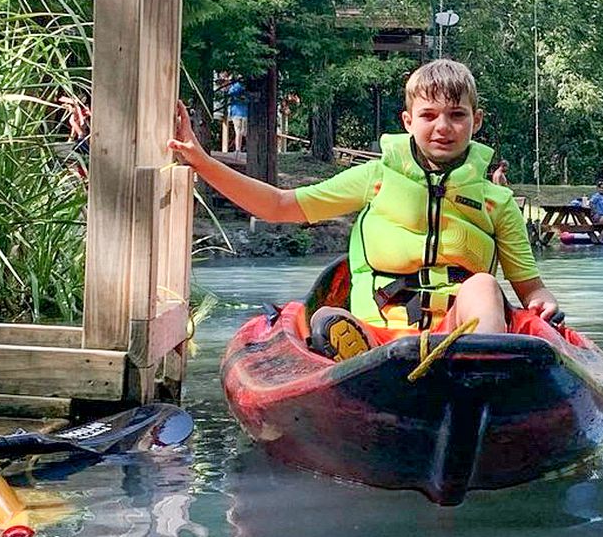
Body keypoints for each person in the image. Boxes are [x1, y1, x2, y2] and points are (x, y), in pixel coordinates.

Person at [169, 59, 560, 361]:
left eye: (457, 115)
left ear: (475, 121)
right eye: (428, 115)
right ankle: (353, 354)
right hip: (377, 333)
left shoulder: (497, 201)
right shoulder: (375, 177)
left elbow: (531, 289)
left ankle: (480, 372)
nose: (443, 126)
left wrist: (544, 302)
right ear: (408, 121)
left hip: (457, 333)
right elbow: (278, 205)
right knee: (327, 322)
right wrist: (202, 161)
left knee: (484, 286)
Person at [227, 76, 247, 155]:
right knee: (244, 132)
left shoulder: (234, 87)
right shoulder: (246, 87)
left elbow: (229, 94)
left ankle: (238, 149)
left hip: (236, 112)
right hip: (245, 112)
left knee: (238, 131)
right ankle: (245, 148)